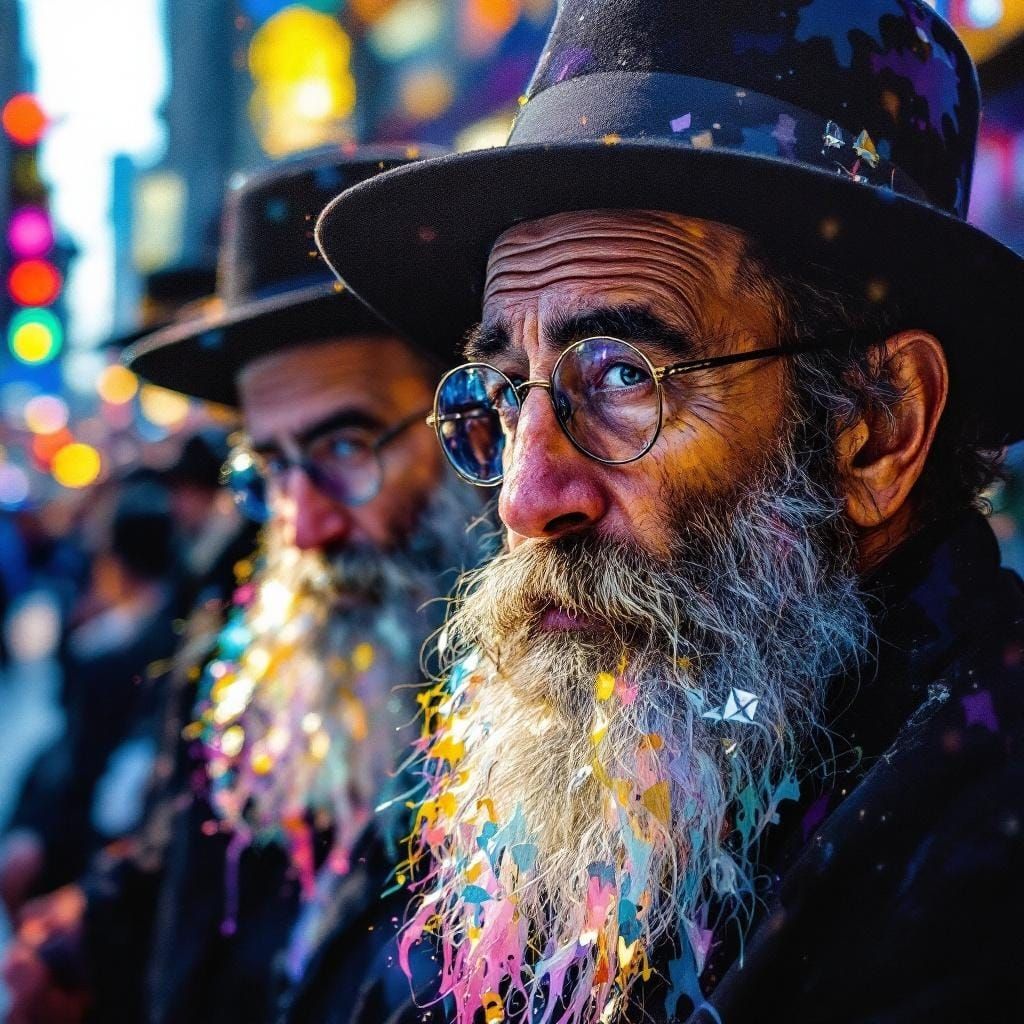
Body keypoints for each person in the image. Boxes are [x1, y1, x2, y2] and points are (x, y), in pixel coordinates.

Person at [316, 2, 1024, 1022]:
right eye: (507, 391)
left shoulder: (978, 852)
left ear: (875, 424)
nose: (524, 495)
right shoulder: (650, 731)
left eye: (621, 376)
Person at [3, 146, 481, 1024]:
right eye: (273, 465)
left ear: (469, 422)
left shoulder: (560, 691)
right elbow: (206, 847)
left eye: (345, 447)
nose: (302, 524)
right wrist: (87, 941)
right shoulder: (256, 623)